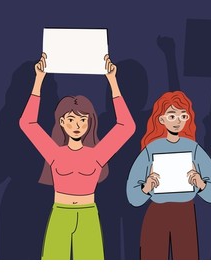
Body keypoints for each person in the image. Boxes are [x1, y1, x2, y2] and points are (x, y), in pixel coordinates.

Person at [19, 53, 135, 259]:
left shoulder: (98, 154)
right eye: (70, 120)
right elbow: (27, 123)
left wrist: (113, 81)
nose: (77, 125)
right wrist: (38, 80)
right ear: (61, 122)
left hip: (88, 213)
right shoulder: (54, 152)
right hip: (60, 213)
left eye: (83, 120)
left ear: (90, 123)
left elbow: (127, 126)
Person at [126, 91, 211, 259]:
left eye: (183, 116)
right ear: (161, 119)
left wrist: (201, 183)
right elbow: (132, 197)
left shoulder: (194, 149)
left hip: (185, 214)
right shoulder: (151, 150)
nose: (177, 121)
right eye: (172, 116)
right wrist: (146, 187)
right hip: (157, 214)